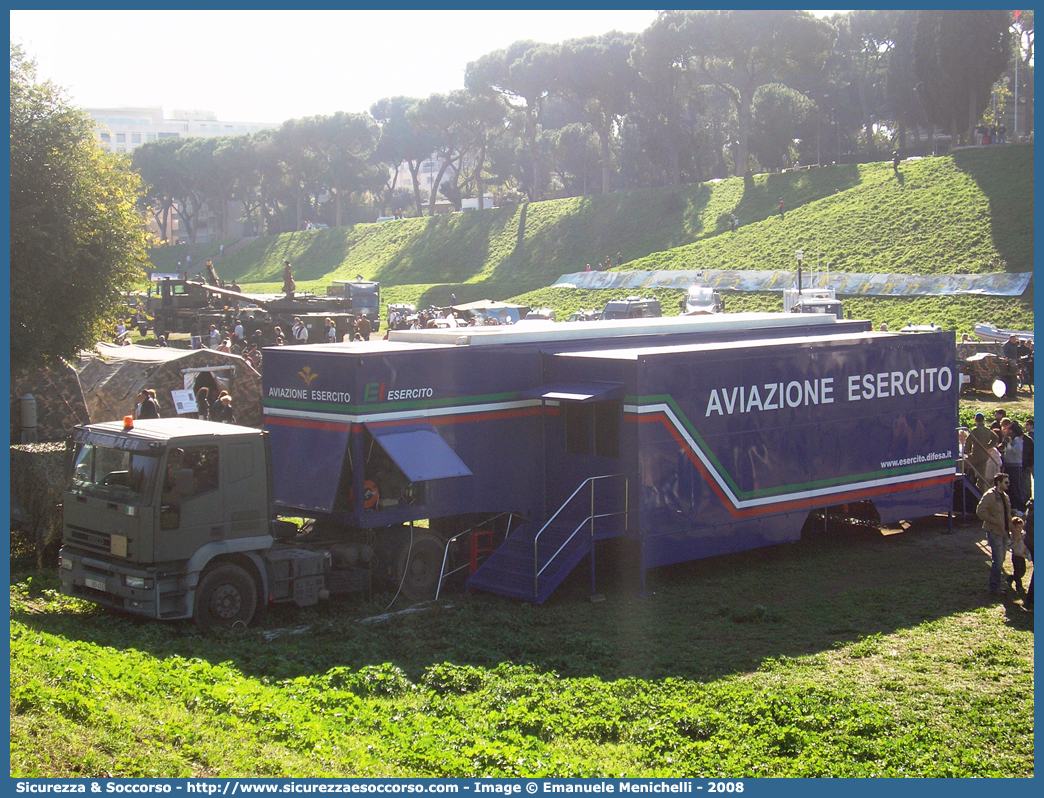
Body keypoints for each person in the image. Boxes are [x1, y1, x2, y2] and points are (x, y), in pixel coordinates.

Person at [976, 473, 1013, 595]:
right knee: (997, 560)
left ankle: (996, 585)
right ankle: (994, 587)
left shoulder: (1005, 497)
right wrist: (995, 521)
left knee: (1001, 559)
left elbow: (1008, 516)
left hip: (1004, 532)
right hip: (994, 532)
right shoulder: (990, 496)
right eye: (1006, 482)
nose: (1008, 484)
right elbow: (980, 511)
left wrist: (1013, 530)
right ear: (998, 483)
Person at [965, 412, 1000, 492]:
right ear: (983, 420)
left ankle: (968, 486)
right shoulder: (987, 430)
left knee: (962, 466)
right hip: (985, 455)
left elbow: (968, 441)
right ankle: (980, 492)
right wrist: (988, 446)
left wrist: (968, 452)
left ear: (975, 420)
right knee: (981, 476)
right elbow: (996, 438)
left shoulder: (975, 430)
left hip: (976, 455)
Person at [1000, 418, 1025, 511]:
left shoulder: (1017, 439)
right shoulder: (1006, 439)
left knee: (1016, 487)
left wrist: (1010, 444)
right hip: (1008, 465)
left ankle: (1021, 508)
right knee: (1009, 488)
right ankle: (1012, 506)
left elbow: (1018, 451)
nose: (1003, 430)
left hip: (1015, 465)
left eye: (1005, 428)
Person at [1008, 516, 1029, 595]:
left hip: (1022, 555)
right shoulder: (1012, 536)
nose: (1019, 529)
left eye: (1021, 527)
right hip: (1016, 555)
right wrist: (1016, 542)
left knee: (1022, 571)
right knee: (1018, 571)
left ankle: (1010, 578)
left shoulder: (1023, 535)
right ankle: (1019, 586)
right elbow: (1010, 546)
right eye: (1017, 527)